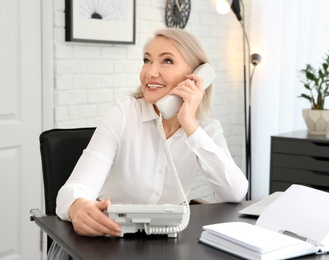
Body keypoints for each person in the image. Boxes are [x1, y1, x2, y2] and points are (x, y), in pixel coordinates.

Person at [56, 28, 248, 237]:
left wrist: (190, 125)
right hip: (110, 238)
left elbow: (235, 192)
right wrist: (78, 207)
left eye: (166, 61)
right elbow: (75, 188)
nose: (150, 72)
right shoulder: (124, 113)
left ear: (195, 77)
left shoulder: (206, 130)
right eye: (147, 60)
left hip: (166, 243)